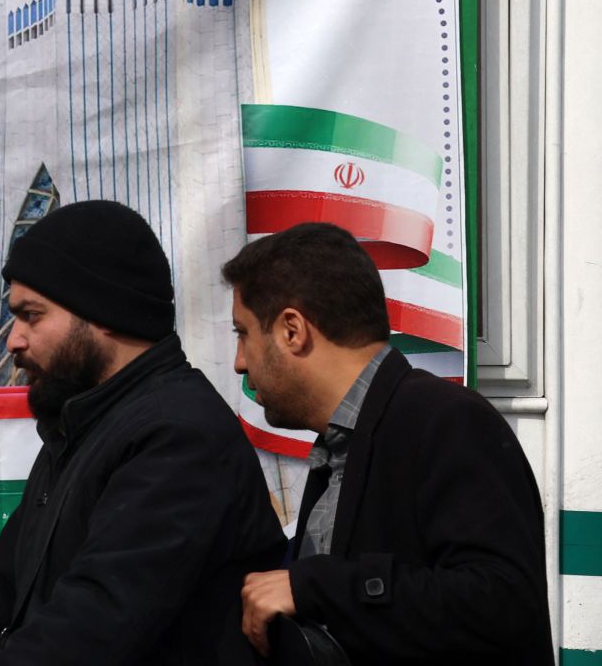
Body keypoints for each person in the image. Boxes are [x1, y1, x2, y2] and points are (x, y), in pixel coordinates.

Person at [0, 201, 286, 665]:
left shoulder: (178, 436)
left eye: (32, 315)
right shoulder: (88, 428)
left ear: (103, 311)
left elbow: (84, 636)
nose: (13, 340)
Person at [224, 222, 553, 665]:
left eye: (243, 333)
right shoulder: (341, 443)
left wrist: (316, 586)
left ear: (292, 330)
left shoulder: (449, 421)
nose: (239, 362)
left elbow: (503, 602)